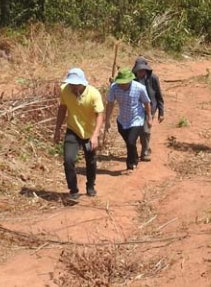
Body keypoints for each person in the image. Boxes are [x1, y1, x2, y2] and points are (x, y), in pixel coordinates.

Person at [53, 67, 104, 199]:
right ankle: (73, 190)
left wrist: (95, 135)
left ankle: (90, 185)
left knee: (91, 160)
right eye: (71, 83)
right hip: (73, 130)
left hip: (90, 132)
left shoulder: (93, 94)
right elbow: (62, 109)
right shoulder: (65, 90)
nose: (73, 86)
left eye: (76, 84)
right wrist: (57, 129)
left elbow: (99, 115)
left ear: (82, 83)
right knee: (68, 159)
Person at [103, 68, 153, 173]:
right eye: (121, 83)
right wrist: (107, 120)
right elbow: (110, 104)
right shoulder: (114, 88)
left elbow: (147, 103)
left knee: (131, 141)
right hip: (122, 121)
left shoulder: (140, 88)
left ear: (130, 80)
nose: (123, 85)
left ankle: (130, 166)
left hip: (136, 119)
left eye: (125, 83)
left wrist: (149, 117)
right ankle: (134, 158)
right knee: (130, 143)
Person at [132, 56, 165, 162]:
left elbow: (159, 95)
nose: (140, 73)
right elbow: (121, 85)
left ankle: (145, 152)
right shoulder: (132, 79)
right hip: (136, 108)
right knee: (136, 131)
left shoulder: (153, 78)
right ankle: (135, 152)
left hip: (150, 107)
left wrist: (161, 111)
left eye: (142, 70)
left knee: (145, 130)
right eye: (138, 71)